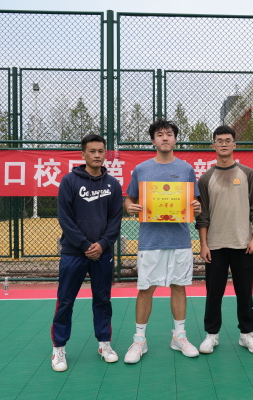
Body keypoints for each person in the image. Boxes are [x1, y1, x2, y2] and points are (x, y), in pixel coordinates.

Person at [123, 118, 202, 364]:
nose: (165, 138)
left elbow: (195, 202)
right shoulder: (142, 169)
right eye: (160, 134)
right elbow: (129, 199)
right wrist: (130, 207)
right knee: (146, 289)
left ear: (175, 139)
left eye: (169, 134)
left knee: (179, 287)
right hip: (150, 240)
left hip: (179, 240)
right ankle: (139, 340)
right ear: (153, 140)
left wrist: (197, 207)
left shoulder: (186, 169)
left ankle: (179, 337)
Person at [51, 134, 123, 371]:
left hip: (102, 253)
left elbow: (115, 220)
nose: (97, 155)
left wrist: (102, 244)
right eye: (92, 151)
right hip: (74, 253)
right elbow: (65, 218)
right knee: (65, 301)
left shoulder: (113, 184)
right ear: (83, 154)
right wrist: (84, 245)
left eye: (101, 151)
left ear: (105, 154)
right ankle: (59, 348)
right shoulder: (69, 181)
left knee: (102, 300)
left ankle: (104, 344)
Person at [195, 125, 253, 354]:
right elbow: (202, 216)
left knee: (245, 293)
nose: (224, 144)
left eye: (228, 140)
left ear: (234, 144)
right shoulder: (206, 178)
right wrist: (204, 244)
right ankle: (211, 334)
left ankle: (246, 334)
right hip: (215, 246)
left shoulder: (248, 174)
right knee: (213, 293)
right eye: (219, 140)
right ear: (213, 145)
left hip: (243, 244)